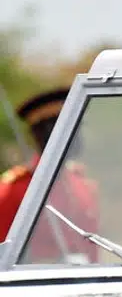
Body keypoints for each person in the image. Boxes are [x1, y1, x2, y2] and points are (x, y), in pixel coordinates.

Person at [0, 87, 99, 262]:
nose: (79, 134)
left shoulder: (83, 184)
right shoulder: (14, 190)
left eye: (79, 126)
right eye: (71, 127)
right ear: (44, 134)